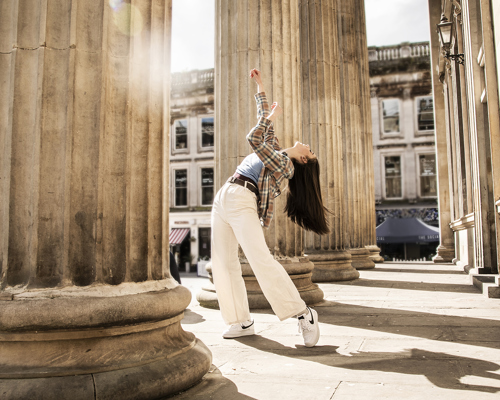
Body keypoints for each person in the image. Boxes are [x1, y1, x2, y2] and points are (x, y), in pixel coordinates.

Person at [210, 68, 329, 348]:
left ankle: (303, 313)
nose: (309, 146)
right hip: (225, 195)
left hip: (242, 199)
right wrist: (261, 89)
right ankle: (241, 321)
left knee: (260, 259)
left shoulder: (285, 165)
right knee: (223, 263)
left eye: (310, 152)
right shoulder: (278, 151)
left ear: (302, 161)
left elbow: (254, 138)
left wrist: (269, 117)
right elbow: (264, 128)